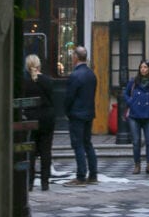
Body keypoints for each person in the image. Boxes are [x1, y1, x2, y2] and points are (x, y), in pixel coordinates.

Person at [63, 45, 98, 186]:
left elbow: (69, 97)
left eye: (73, 55)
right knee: (87, 143)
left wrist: (67, 111)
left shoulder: (75, 75)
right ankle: (93, 174)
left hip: (77, 114)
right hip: (88, 113)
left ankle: (81, 176)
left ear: (76, 57)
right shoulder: (91, 74)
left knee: (78, 145)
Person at [22, 54, 55, 191]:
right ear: (39, 65)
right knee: (46, 151)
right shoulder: (47, 81)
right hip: (46, 118)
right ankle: (45, 183)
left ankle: (29, 183)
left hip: (30, 118)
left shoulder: (24, 82)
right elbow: (52, 100)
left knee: (30, 151)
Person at [124, 60, 149, 174]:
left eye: (145, 67)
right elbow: (125, 93)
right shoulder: (133, 81)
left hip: (148, 116)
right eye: (141, 67)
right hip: (134, 116)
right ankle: (137, 165)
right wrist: (131, 102)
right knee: (136, 142)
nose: (143, 69)